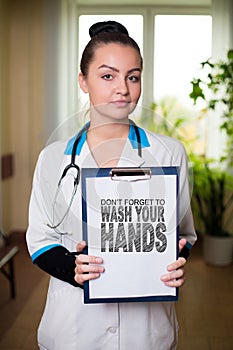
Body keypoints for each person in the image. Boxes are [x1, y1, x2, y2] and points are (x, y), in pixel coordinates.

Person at [26, 21, 197, 350]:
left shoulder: (169, 152)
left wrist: (176, 256)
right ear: (83, 81)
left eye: (133, 76)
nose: (123, 88)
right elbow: (39, 238)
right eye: (108, 76)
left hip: (147, 333)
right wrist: (72, 268)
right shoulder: (53, 158)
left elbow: (185, 234)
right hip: (73, 330)